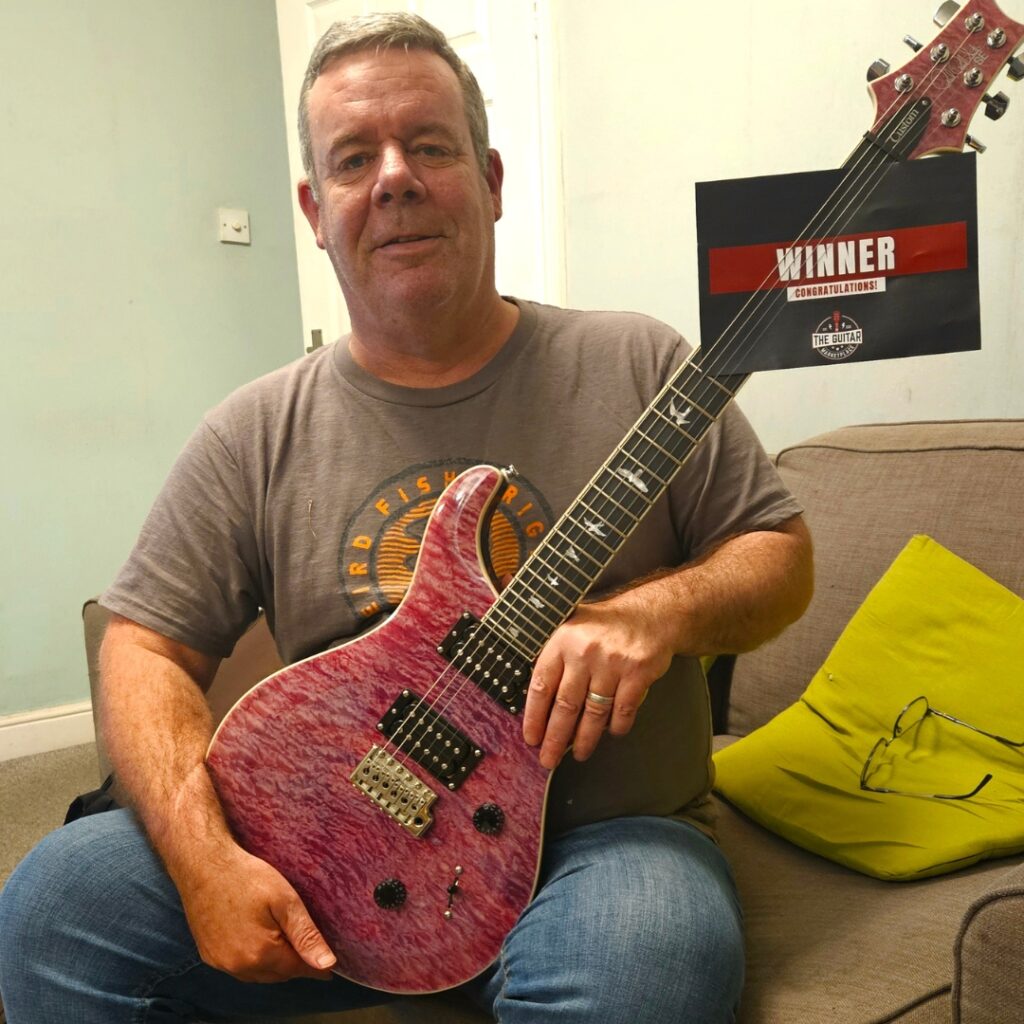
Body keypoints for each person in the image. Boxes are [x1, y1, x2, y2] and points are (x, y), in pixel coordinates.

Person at [0, 12, 813, 1023]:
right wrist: (204, 857)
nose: (394, 178)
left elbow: (779, 556)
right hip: (324, 836)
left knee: (639, 970)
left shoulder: (639, 364)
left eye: (430, 146)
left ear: (492, 180)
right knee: (55, 906)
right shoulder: (253, 432)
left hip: (605, 842)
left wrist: (654, 614)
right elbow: (142, 646)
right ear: (315, 209)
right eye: (354, 159)